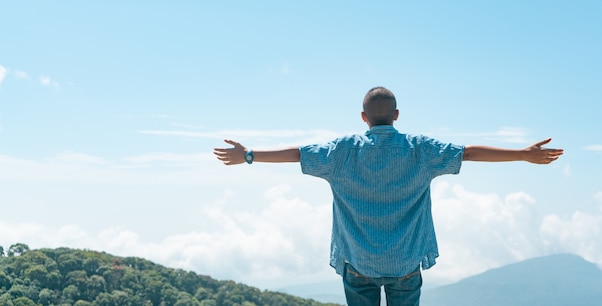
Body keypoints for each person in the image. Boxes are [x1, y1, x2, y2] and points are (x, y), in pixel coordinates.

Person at [213, 86, 564, 306]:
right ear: (396, 116)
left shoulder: (340, 152)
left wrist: (249, 155)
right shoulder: (420, 150)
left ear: (363, 117)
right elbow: (469, 152)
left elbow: (297, 155)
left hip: (358, 263)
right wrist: (521, 153)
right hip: (406, 263)